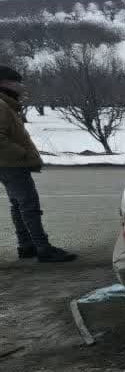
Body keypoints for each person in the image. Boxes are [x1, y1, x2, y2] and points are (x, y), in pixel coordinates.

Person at [0, 66, 76, 262]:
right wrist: (22, 154)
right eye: (16, 82)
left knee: (18, 204)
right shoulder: (1, 105)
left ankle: (26, 245)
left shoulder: (8, 105)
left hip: (9, 163)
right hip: (11, 164)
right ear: (4, 83)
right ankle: (43, 248)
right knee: (29, 205)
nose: (20, 86)